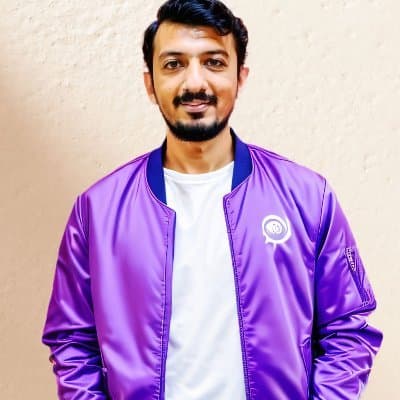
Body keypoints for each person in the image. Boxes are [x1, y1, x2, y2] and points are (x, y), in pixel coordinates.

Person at [42, 0, 383, 399]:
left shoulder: (308, 197)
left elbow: (348, 330)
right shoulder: (98, 211)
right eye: (174, 64)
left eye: (214, 62)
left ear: (240, 77)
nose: (195, 83)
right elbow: (72, 341)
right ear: (150, 83)